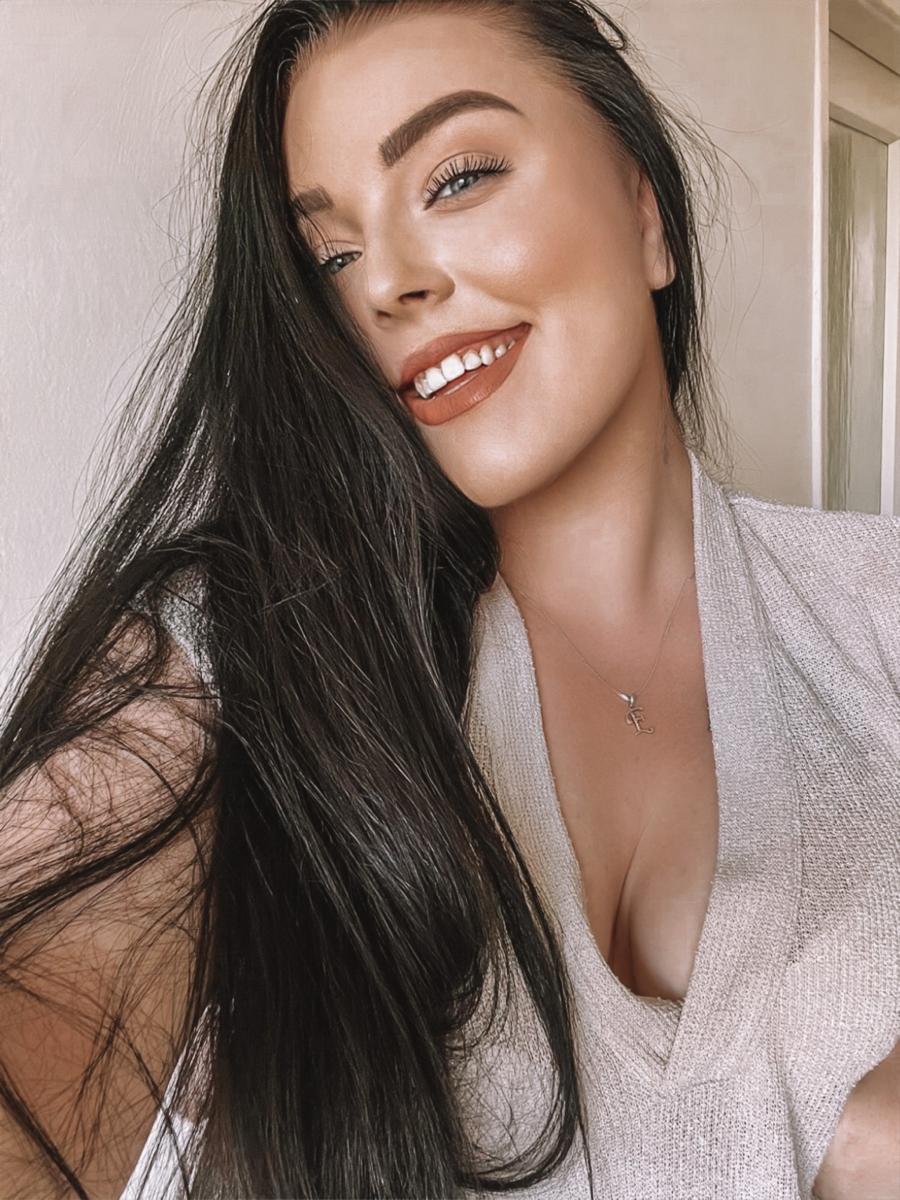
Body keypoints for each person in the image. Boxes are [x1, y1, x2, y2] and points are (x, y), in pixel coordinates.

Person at [0, 1, 897, 1197]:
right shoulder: (236, 661)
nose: (386, 285)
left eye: (458, 178)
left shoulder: (877, 607)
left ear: (645, 214)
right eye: (333, 256)